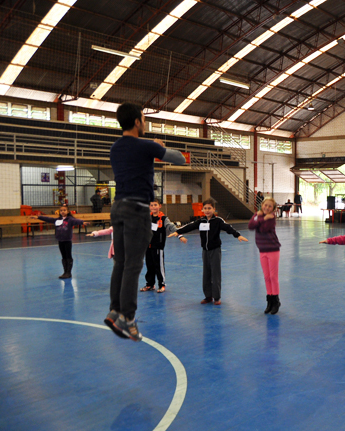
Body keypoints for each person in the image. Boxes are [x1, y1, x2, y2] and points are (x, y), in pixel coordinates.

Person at [104, 102, 186, 341]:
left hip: (117, 208)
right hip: (137, 209)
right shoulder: (145, 146)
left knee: (120, 262)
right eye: (143, 118)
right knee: (133, 265)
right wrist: (159, 147)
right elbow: (179, 159)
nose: (145, 122)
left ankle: (114, 310)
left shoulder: (115, 148)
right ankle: (128, 319)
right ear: (138, 121)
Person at [170, 197, 248, 305]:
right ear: (202, 209)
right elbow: (190, 226)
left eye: (209, 208)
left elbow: (228, 228)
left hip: (215, 251)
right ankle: (208, 296)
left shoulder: (218, 221)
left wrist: (237, 235)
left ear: (213, 209)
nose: (207, 210)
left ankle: (216, 297)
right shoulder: (200, 221)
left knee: (215, 274)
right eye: (205, 208)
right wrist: (178, 232)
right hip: (205, 251)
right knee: (206, 274)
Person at [31, 205, 87, 279]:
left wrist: (83, 222)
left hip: (67, 240)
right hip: (60, 240)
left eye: (64, 210)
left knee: (68, 256)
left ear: (67, 211)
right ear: (59, 212)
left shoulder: (70, 219)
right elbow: (48, 219)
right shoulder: (57, 220)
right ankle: (65, 272)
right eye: (61, 210)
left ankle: (68, 272)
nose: (62, 211)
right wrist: (39, 217)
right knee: (63, 256)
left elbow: (76, 221)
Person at [248, 198, 282, 315]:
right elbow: (251, 225)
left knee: (273, 276)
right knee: (266, 277)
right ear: (262, 205)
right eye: (265, 205)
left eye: (270, 207)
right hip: (262, 250)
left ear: (273, 209)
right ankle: (269, 300)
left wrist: (259, 219)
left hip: (273, 250)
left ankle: (276, 301)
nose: (267, 208)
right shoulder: (258, 215)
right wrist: (261, 218)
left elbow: (262, 229)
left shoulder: (271, 218)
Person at [139, 199, 181, 293]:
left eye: (155, 205)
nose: (153, 207)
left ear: (160, 206)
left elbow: (170, 226)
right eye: (151, 205)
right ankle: (150, 284)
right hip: (147, 246)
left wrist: (178, 233)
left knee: (159, 266)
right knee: (149, 266)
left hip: (158, 247)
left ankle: (162, 284)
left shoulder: (163, 218)